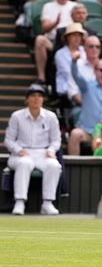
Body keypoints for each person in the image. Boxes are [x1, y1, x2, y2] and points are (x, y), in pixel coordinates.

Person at [5, 84, 61, 215]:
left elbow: (56, 140)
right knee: (24, 163)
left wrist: (51, 150)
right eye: (33, 96)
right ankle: (19, 202)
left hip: (43, 153)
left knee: (54, 165)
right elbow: (8, 140)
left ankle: (47, 203)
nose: (36, 99)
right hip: (21, 153)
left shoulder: (51, 117)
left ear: (42, 99)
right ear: (27, 99)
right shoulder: (16, 116)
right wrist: (18, 150)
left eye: (39, 96)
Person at [69, 51, 102, 155]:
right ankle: (74, 169)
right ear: (95, 71)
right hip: (88, 131)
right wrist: (74, 62)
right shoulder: (87, 86)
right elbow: (76, 76)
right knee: (75, 134)